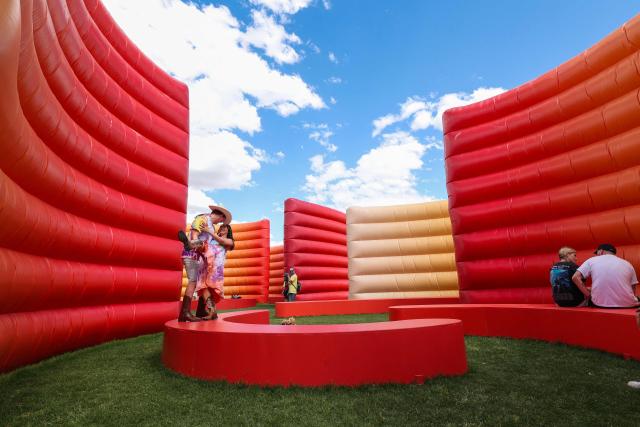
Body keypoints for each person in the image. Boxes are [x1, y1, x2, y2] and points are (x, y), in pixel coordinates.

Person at [176, 205, 231, 322]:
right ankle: (185, 313)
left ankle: (201, 311)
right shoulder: (203, 219)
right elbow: (195, 234)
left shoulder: (211, 226)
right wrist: (193, 243)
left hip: (200, 257)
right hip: (192, 254)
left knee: (201, 283)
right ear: (220, 215)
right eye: (222, 220)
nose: (220, 223)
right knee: (193, 282)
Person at [572, 243, 639, 308]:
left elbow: (575, 277)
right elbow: (633, 287)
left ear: (601, 251)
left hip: (599, 303)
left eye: (597, 253)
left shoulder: (592, 260)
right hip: (628, 304)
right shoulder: (627, 264)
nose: (596, 255)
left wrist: (588, 295)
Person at [195, 222, 234, 320]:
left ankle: (212, 312)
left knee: (212, 290)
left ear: (229, 231)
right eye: (221, 227)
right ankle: (212, 312)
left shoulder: (229, 241)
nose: (223, 228)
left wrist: (210, 232)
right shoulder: (212, 239)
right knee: (202, 286)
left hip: (216, 268)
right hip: (205, 264)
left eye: (225, 227)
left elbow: (222, 241)